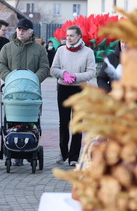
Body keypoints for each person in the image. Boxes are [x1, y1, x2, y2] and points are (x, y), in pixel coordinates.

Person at [0, 18, 50, 166]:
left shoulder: (39, 49)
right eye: (19, 29)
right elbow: (0, 65)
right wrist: (11, 78)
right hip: (12, 92)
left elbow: (44, 67)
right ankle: (14, 150)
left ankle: (30, 148)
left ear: (31, 32)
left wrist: (33, 79)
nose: (21, 32)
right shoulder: (8, 48)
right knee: (12, 121)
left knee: (31, 122)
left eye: (24, 30)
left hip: (31, 93)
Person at [50, 25, 96, 167]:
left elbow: (91, 72)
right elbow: (53, 69)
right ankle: (63, 153)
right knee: (63, 122)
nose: (68, 38)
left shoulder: (88, 52)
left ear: (79, 36)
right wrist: (63, 74)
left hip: (79, 89)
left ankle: (74, 156)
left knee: (77, 122)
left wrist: (75, 77)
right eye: (67, 35)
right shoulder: (61, 50)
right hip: (63, 88)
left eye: (71, 35)